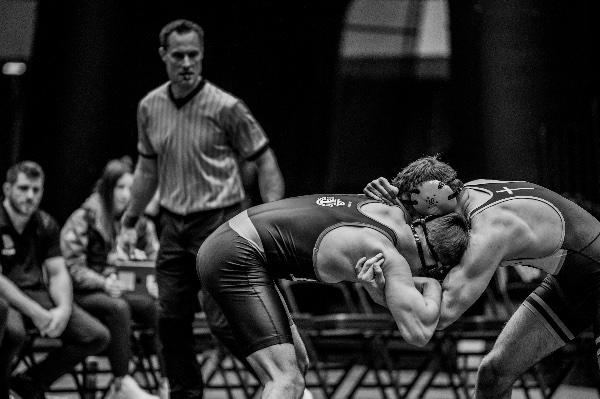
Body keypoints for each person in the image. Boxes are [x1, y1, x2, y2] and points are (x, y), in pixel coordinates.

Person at [117, 19, 285, 399]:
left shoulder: (227, 107)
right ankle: (184, 395)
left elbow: (265, 161)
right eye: (179, 55)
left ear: (203, 55)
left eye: (194, 55)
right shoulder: (150, 106)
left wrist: (273, 221)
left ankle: (285, 381)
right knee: (170, 319)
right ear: (163, 56)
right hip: (174, 225)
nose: (187, 63)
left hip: (219, 222)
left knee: (225, 322)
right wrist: (130, 219)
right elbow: (147, 168)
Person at [362, 155, 600, 398]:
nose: (419, 228)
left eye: (415, 219)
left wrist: (380, 291)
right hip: (574, 278)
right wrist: (385, 202)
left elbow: (440, 316)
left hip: (593, 272)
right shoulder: (465, 193)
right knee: (494, 375)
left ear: (432, 203)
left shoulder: (489, 230)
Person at [196, 193, 470, 399]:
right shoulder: (389, 256)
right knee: (286, 379)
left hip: (232, 243)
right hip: (236, 255)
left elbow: (392, 300)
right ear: (436, 264)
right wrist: (433, 285)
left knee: (298, 365)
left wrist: (374, 288)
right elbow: (418, 331)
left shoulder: (387, 210)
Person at [0, 161, 110, 399]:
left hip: (37, 293)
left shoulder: (45, 223)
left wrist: (63, 309)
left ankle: (28, 382)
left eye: (36, 190)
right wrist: (36, 312)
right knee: (13, 333)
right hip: (6, 297)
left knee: (96, 336)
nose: (30, 196)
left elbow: (59, 272)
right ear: (7, 190)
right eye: (23, 188)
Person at [60, 157, 160, 399]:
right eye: (120, 187)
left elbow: (155, 259)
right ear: (107, 188)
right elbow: (70, 266)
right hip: (86, 293)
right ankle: (121, 382)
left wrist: (154, 281)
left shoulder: (139, 222)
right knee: (119, 308)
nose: (127, 194)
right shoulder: (85, 217)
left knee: (159, 309)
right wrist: (103, 282)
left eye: (131, 188)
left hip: (124, 288)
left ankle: (169, 381)